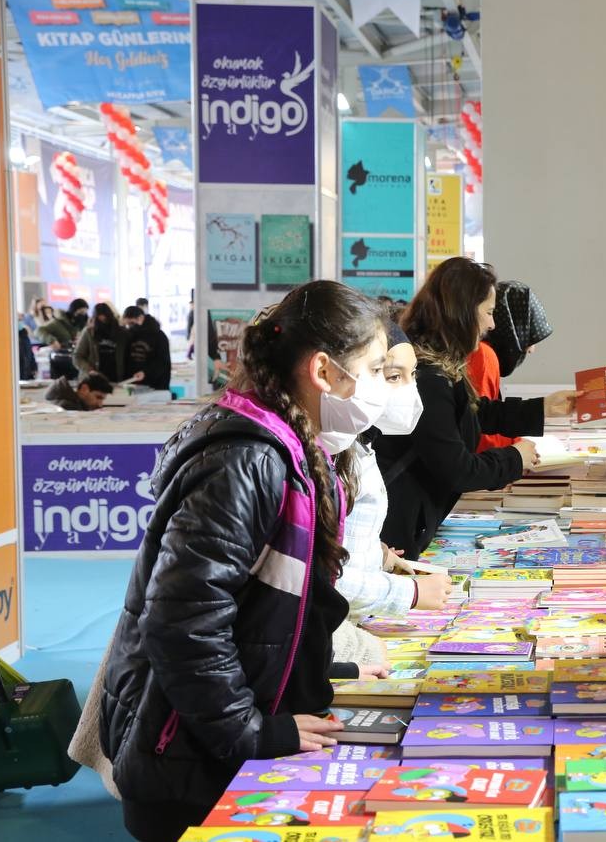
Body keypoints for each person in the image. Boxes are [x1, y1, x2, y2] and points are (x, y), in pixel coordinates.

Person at [99, 280, 392, 841]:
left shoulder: (299, 450)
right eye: (376, 369)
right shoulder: (249, 460)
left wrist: (323, 669)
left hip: (216, 738)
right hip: (191, 759)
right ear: (325, 371)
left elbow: (259, 610)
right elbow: (183, 623)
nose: (381, 386)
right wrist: (251, 734)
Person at [374, 258, 579, 556]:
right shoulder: (428, 377)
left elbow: (472, 413)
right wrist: (514, 459)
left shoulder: (441, 366)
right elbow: (458, 468)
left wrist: (543, 408)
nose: (492, 324)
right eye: (489, 312)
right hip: (398, 532)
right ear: (463, 312)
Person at [335, 321, 455, 623]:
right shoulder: (328, 452)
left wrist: (378, 556)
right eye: (389, 375)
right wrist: (410, 594)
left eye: (412, 374)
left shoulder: (359, 443)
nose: (408, 389)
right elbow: (320, 576)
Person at [468, 280, 554, 451]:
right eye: (529, 336)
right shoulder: (484, 355)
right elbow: (482, 427)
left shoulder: (481, 351)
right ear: (514, 329)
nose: (531, 349)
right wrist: (517, 450)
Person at [122, 306, 173, 391]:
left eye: (132, 323)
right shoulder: (131, 335)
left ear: (141, 318)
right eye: (128, 324)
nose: (130, 327)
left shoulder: (158, 336)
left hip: (156, 386)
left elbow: (163, 362)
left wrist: (146, 373)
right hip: (134, 385)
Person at [74, 302, 128, 381]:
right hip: (92, 378)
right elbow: (77, 356)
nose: (103, 322)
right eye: (99, 320)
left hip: (117, 378)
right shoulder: (89, 332)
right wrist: (89, 370)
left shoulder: (122, 333)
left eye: (106, 319)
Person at [45, 372, 114, 410]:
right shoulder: (68, 408)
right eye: (98, 397)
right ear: (84, 389)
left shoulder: (73, 402)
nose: (100, 404)